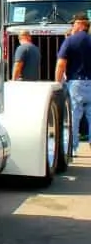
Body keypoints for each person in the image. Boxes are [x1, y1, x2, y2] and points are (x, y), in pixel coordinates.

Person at [55, 13, 91, 155]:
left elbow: (61, 64)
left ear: (80, 24)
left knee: (74, 116)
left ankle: (73, 148)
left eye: (74, 23)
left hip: (76, 83)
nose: (73, 26)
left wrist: (57, 83)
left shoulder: (70, 41)